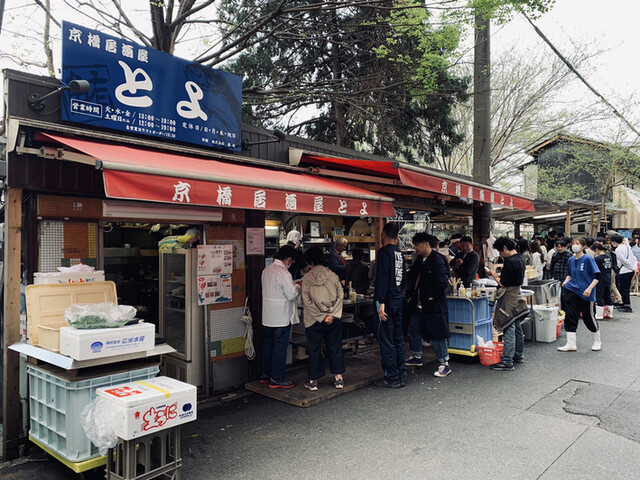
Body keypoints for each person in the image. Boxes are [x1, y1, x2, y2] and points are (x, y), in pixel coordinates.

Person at [406, 233, 452, 377]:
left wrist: (433, 296)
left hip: (433, 304)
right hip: (419, 303)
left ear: (426, 244)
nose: (415, 248)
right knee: (413, 328)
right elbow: (412, 277)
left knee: (438, 333)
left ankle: (445, 363)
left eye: (417, 244)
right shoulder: (420, 260)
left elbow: (443, 280)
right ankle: (416, 356)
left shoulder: (438, 260)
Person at [301, 247, 345, 391]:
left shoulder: (306, 279)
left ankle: (313, 381)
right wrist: (332, 314)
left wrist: (321, 316)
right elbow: (341, 295)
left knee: (314, 349)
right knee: (335, 347)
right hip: (333, 318)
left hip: (314, 320)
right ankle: (339, 378)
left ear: (310, 261)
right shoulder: (333, 275)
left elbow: (306, 301)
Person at [486, 237, 529, 371]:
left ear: (505, 248)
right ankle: (518, 355)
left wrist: (493, 274)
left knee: (508, 326)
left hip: (509, 297)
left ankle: (507, 361)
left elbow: (503, 283)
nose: (500, 254)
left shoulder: (510, 262)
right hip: (517, 294)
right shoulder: (520, 259)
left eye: (500, 251)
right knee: (516, 325)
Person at [260, 245, 300, 389]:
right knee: (280, 348)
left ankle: (265, 375)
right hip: (281, 316)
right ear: (288, 259)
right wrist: (298, 286)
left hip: (268, 315)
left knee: (268, 345)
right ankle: (277, 379)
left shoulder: (266, 270)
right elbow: (291, 294)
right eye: (292, 261)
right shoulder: (284, 273)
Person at [374, 222, 407, 388]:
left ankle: (391, 377)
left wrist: (381, 303)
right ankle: (401, 373)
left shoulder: (384, 252)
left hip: (386, 302)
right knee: (398, 338)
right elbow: (404, 280)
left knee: (386, 340)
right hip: (398, 300)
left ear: (384, 233)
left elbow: (382, 278)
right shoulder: (400, 253)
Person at [558, 238, 601, 352]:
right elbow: (569, 274)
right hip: (572, 291)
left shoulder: (588, 259)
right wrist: (566, 281)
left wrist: (589, 289)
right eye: (573, 244)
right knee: (570, 317)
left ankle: (597, 340)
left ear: (583, 246)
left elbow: (597, 276)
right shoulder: (571, 259)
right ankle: (571, 343)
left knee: (588, 317)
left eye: (577, 244)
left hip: (586, 293)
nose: (574, 246)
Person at [611, 234, 636, 313]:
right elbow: (633, 258)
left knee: (624, 289)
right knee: (625, 288)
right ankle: (625, 304)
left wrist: (631, 267)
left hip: (624, 270)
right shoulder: (626, 247)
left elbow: (623, 260)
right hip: (629, 270)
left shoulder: (618, 249)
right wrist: (633, 267)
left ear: (614, 242)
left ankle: (627, 305)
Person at [593, 242, 613, 320]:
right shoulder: (608, 257)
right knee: (607, 295)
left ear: (597, 249)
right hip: (608, 277)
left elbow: (595, 270)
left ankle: (599, 314)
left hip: (600, 278)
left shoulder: (597, 259)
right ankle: (610, 313)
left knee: (600, 296)